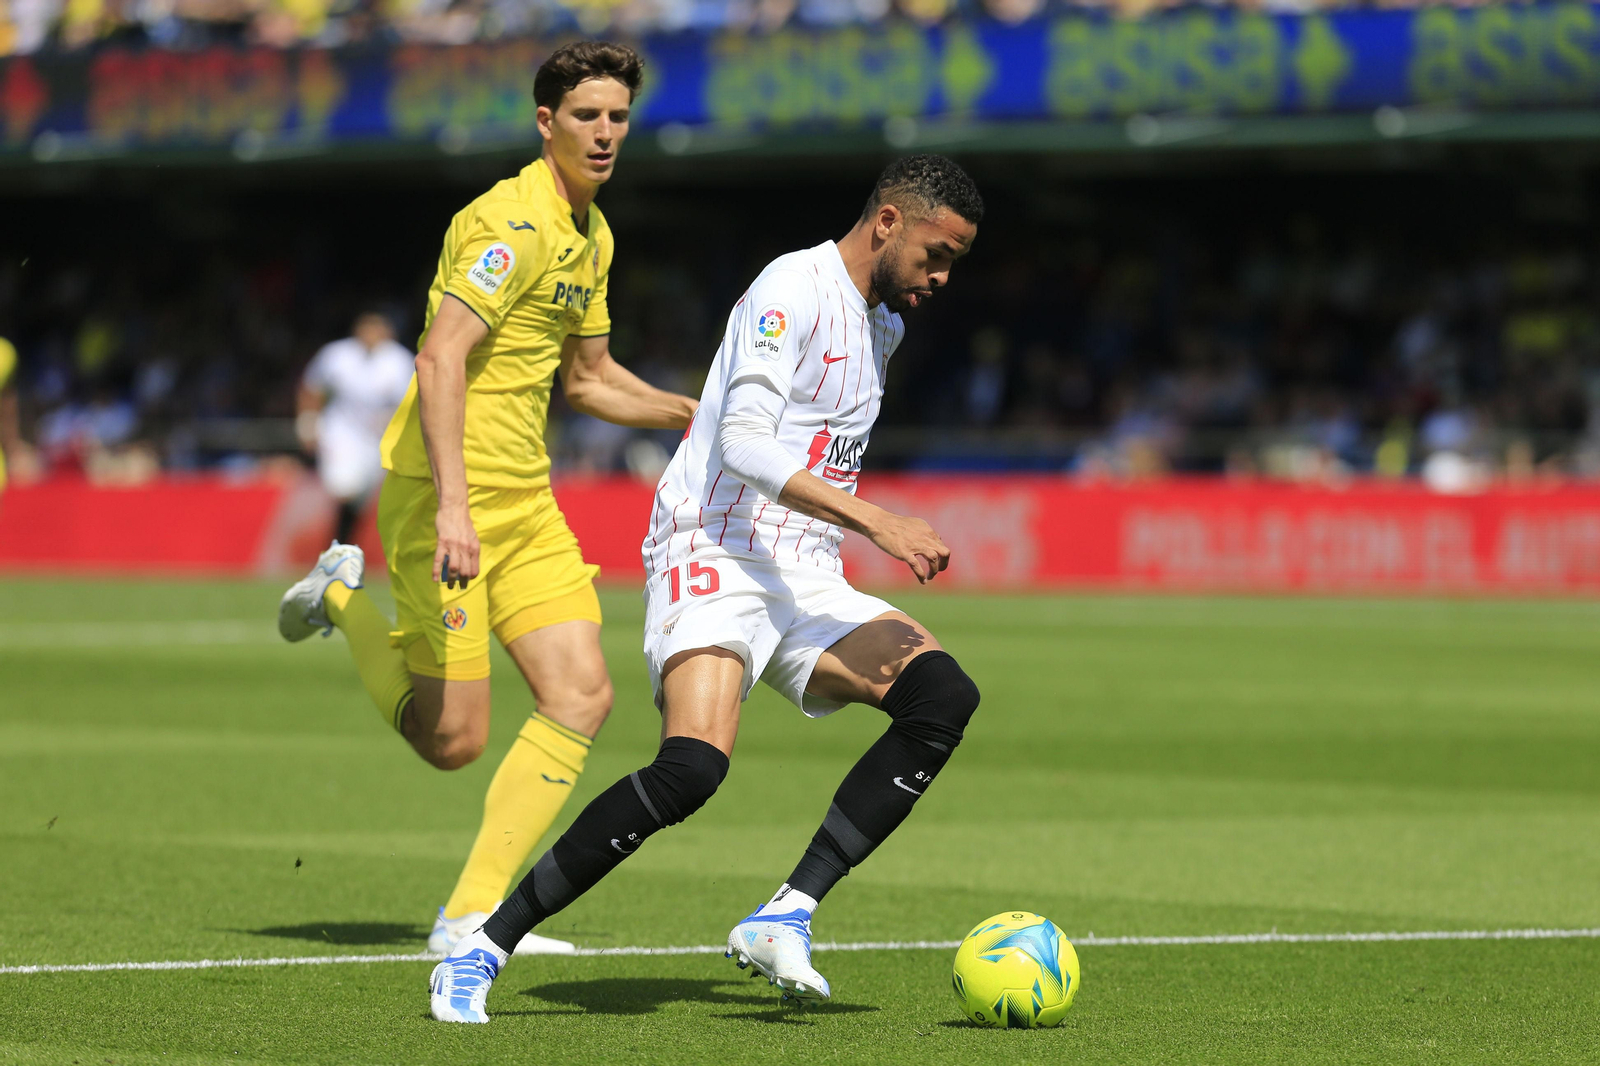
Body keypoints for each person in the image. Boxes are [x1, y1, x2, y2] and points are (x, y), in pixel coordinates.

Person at [428, 154, 985, 1023]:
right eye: (935, 255)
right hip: (716, 544)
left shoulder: (885, 328)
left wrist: (842, 535)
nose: (942, 278)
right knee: (692, 768)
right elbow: (746, 447)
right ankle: (482, 947)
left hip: (801, 565)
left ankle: (785, 914)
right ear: (887, 223)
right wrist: (879, 522)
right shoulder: (789, 289)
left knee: (942, 695)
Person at [276, 40, 696, 957]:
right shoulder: (512, 226)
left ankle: (470, 918)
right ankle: (340, 601)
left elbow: (587, 382)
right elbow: (438, 357)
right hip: (444, 500)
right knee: (454, 740)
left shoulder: (596, 233)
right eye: (587, 116)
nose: (605, 133)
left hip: (526, 502)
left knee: (582, 694)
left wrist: (689, 413)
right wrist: (458, 510)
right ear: (546, 122)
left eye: (618, 117)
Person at [296, 311, 415, 544]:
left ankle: (342, 543)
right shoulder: (336, 354)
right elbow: (311, 388)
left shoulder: (400, 361)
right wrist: (307, 426)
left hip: (376, 439)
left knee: (361, 496)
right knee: (343, 485)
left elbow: (409, 404)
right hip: (340, 432)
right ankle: (337, 542)